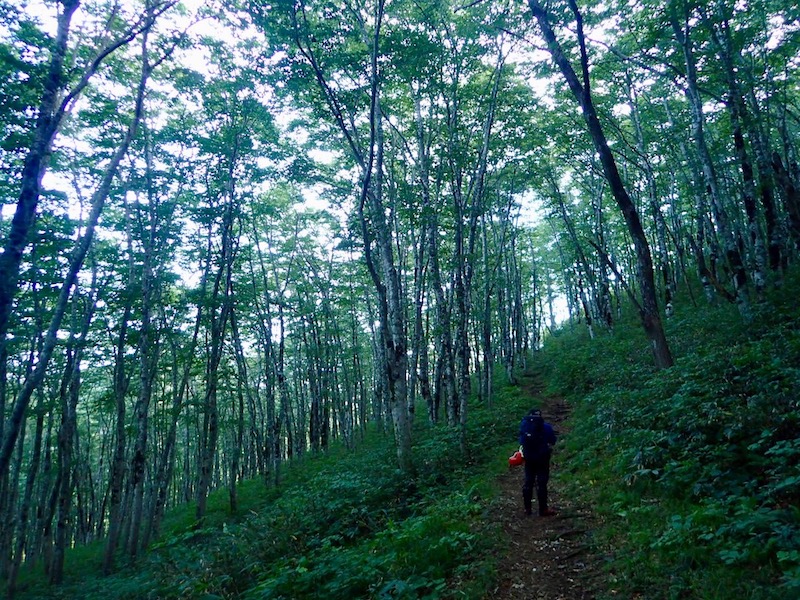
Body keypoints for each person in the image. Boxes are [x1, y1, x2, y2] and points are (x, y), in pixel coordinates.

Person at [518, 408, 557, 516]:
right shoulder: (546, 427)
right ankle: (543, 509)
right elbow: (552, 441)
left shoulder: (525, 426)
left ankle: (527, 509)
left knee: (528, 482)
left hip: (529, 458)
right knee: (542, 483)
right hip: (543, 458)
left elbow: (521, 441)